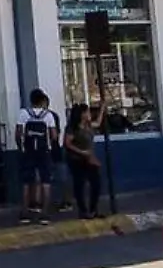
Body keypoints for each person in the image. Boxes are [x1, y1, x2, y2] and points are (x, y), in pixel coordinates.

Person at [15, 89, 60, 224]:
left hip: (28, 152)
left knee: (26, 183)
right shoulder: (49, 116)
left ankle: (24, 213)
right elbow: (54, 136)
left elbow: (18, 134)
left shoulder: (23, 113)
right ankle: (44, 214)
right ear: (42, 100)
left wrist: (21, 148)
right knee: (46, 182)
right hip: (43, 152)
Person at [63, 105, 102, 220]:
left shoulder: (88, 125)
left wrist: (102, 108)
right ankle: (83, 211)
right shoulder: (72, 128)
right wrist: (82, 152)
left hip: (89, 159)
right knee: (79, 185)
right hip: (76, 160)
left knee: (96, 184)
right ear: (81, 114)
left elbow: (98, 123)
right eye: (87, 112)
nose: (89, 114)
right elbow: (67, 144)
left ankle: (92, 209)